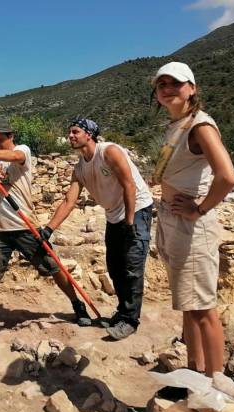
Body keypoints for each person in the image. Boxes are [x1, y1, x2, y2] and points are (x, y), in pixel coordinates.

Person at [150, 61, 234, 400]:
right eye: (161, 84)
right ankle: (193, 373)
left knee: (203, 305)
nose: (167, 89)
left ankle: (217, 377)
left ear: (191, 88)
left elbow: (228, 176)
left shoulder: (200, 126)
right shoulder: (178, 125)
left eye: (175, 84)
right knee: (189, 304)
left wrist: (200, 209)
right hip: (173, 220)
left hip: (191, 225)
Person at [0, 117, 92, 343]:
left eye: (1, 140)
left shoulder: (22, 150)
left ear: (11, 136)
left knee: (52, 266)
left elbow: (16, 156)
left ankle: (77, 305)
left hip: (25, 224)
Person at [45, 118, 153, 340]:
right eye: (69, 132)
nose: (71, 136)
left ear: (89, 134)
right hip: (113, 215)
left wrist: (130, 222)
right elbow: (69, 200)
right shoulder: (79, 168)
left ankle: (130, 320)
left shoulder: (109, 152)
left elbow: (129, 184)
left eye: (75, 131)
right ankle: (123, 312)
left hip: (137, 209)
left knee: (132, 267)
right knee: (115, 267)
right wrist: (48, 229)